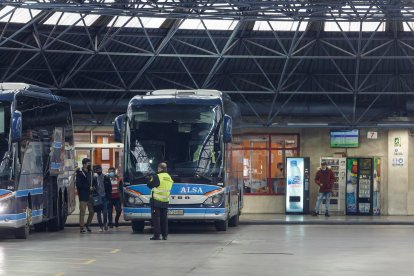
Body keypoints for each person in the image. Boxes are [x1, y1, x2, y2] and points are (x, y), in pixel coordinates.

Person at [147, 162, 174, 240]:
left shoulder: (157, 176)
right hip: (165, 200)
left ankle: (157, 235)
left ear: (159, 168)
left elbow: (149, 185)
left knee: (156, 219)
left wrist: (149, 179)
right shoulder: (169, 177)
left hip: (156, 201)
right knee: (164, 219)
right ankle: (165, 235)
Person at [76, 158, 96, 234]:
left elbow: (93, 181)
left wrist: (94, 187)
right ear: (84, 164)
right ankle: (82, 227)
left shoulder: (91, 172)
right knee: (82, 212)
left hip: (90, 195)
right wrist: (88, 187)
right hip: (83, 196)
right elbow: (78, 185)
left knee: (92, 211)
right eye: (88, 163)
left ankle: (88, 224)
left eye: (90, 163)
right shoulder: (80, 173)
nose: (89, 165)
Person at [93, 165, 112, 232]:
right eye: (97, 169)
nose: (98, 170)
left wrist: (108, 196)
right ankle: (100, 226)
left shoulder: (106, 177)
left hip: (104, 197)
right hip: (97, 197)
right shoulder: (94, 178)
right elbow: (92, 187)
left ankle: (105, 224)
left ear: (101, 169)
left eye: (99, 169)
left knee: (105, 212)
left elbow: (110, 187)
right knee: (98, 213)